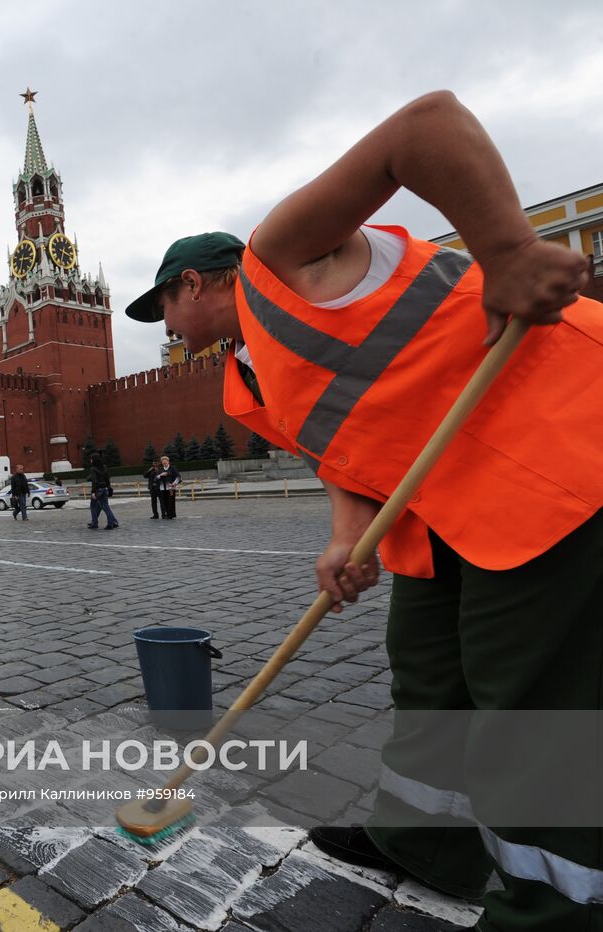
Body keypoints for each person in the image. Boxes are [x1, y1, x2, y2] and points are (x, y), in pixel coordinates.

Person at [122, 91, 602, 932]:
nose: (164, 324)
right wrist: (346, 538)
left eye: (162, 305)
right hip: (448, 505)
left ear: (193, 283)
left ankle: (554, 908)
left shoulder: (282, 257)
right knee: (425, 662)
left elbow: (426, 127)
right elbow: (344, 459)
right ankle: (426, 844)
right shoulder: (249, 379)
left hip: (560, 447)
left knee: (525, 696)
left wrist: (510, 250)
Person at [86, 454, 119, 530]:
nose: (90, 460)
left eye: (91, 459)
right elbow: (107, 478)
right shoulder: (104, 467)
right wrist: (109, 487)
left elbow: (94, 481)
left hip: (98, 489)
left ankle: (94, 523)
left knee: (93, 506)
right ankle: (112, 522)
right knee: (105, 506)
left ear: (94, 460)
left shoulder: (93, 469)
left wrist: (93, 492)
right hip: (104, 489)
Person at [155, 455, 181, 519]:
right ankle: (164, 514)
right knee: (163, 502)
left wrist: (174, 483)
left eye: (165, 462)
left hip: (170, 488)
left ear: (168, 462)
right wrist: (161, 475)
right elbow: (156, 478)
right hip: (162, 488)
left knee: (170, 501)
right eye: (163, 463)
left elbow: (178, 477)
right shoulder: (160, 469)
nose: (164, 464)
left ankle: (170, 515)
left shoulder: (173, 468)